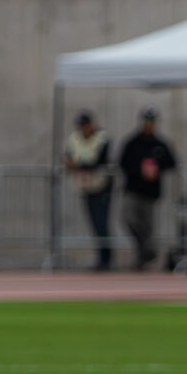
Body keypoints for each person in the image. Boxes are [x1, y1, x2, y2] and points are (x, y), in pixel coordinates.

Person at [119, 106, 176, 271]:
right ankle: (148, 248)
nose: (149, 124)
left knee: (148, 225)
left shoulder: (159, 144)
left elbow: (172, 162)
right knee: (129, 218)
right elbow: (123, 163)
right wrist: (140, 171)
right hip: (133, 189)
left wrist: (156, 169)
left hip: (150, 192)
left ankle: (142, 259)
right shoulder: (132, 142)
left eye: (152, 121)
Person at [64, 111, 112, 271]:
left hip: (101, 187)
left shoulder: (102, 138)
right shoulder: (75, 139)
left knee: (102, 223)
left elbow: (99, 162)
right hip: (86, 187)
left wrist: (78, 165)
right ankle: (101, 258)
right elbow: (68, 157)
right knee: (94, 223)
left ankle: (106, 259)